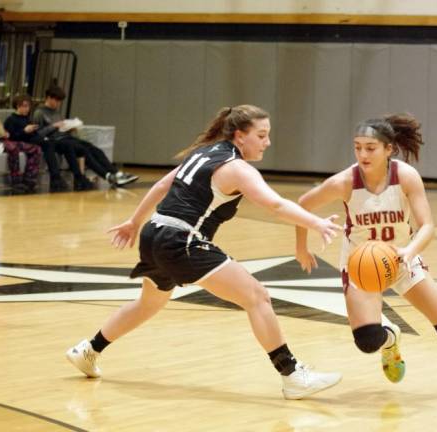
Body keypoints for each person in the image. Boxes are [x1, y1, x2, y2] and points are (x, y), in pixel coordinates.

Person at [66, 105, 343, 400]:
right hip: (182, 241)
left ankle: (89, 350)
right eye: (261, 135)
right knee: (257, 296)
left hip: (154, 233)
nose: (267, 142)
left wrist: (135, 222)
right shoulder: (236, 168)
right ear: (239, 135)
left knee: (148, 304)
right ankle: (292, 375)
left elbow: (162, 184)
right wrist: (315, 222)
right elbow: (274, 205)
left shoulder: (203, 153)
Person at [295, 114, 437, 395]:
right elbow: (303, 204)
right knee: (367, 340)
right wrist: (301, 246)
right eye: (357, 147)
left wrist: (410, 251)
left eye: (370, 148)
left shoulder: (405, 177)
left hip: (402, 257)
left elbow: (427, 226)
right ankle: (390, 339)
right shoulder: (345, 181)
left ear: (388, 149)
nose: (362, 154)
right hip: (361, 264)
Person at [32, 85, 138, 189]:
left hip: (65, 137)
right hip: (54, 141)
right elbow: (38, 134)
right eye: (57, 100)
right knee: (83, 150)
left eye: (60, 101)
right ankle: (108, 176)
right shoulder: (39, 113)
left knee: (93, 148)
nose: (58, 104)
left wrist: (69, 127)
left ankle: (117, 173)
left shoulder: (56, 112)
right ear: (49, 98)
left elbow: (60, 127)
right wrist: (53, 126)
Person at [4, 94, 74, 192]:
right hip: (17, 142)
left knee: (42, 146)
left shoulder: (27, 118)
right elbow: (10, 136)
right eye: (24, 106)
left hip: (28, 141)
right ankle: (17, 182)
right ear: (17, 106)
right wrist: (24, 131)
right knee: (40, 145)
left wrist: (34, 132)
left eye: (28, 106)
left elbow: (32, 134)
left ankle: (30, 180)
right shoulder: (10, 119)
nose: (27, 109)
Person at [0, 115, 41, 193]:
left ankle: (29, 179)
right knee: (12, 148)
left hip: (1, 142)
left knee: (36, 148)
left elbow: (2, 133)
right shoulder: (10, 119)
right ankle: (15, 181)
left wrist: (5, 134)